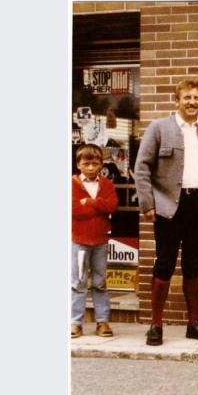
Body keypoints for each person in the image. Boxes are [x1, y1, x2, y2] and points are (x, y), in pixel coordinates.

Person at [135, 79, 198, 346]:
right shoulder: (159, 128)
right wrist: (148, 204)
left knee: (193, 264)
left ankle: (194, 322)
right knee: (164, 262)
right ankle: (155, 324)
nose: (191, 102)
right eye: (186, 97)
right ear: (176, 100)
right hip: (168, 206)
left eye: (196, 98)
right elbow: (142, 167)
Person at [71, 144, 119, 339]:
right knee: (78, 282)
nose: (91, 168)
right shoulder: (72, 184)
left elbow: (112, 206)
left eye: (95, 163)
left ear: (101, 164)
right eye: (86, 163)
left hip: (100, 241)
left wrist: (90, 202)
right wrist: (100, 208)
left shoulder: (106, 184)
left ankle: (102, 321)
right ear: (78, 164)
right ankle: (75, 322)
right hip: (80, 241)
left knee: (100, 282)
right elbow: (75, 211)